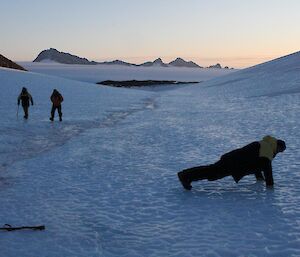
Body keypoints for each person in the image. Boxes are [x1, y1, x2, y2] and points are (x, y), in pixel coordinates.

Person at [178, 136, 286, 190]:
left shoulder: (265, 145)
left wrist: (259, 177)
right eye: (280, 151)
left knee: (212, 171)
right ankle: (185, 176)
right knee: (212, 172)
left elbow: (258, 162)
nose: (278, 153)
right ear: (278, 146)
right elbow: (266, 167)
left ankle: (186, 175)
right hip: (233, 163)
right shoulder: (267, 150)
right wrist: (270, 185)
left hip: (233, 161)